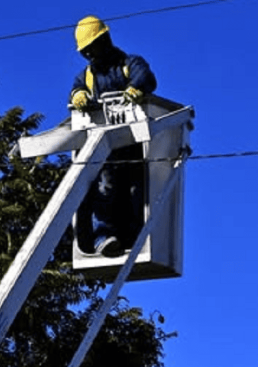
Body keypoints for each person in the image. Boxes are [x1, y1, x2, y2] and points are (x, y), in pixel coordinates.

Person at [70, 15, 158, 257]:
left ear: (104, 40)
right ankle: (104, 237)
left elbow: (146, 78)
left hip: (132, 146)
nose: (89, 55)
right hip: (104, 148)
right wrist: (78, 95)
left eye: (91, 48)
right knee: (105, 190)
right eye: (85, 52)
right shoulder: (87, 76)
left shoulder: (129, 64)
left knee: (134, 192)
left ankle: (133, 237)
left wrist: (136, 88)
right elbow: (76, 89)